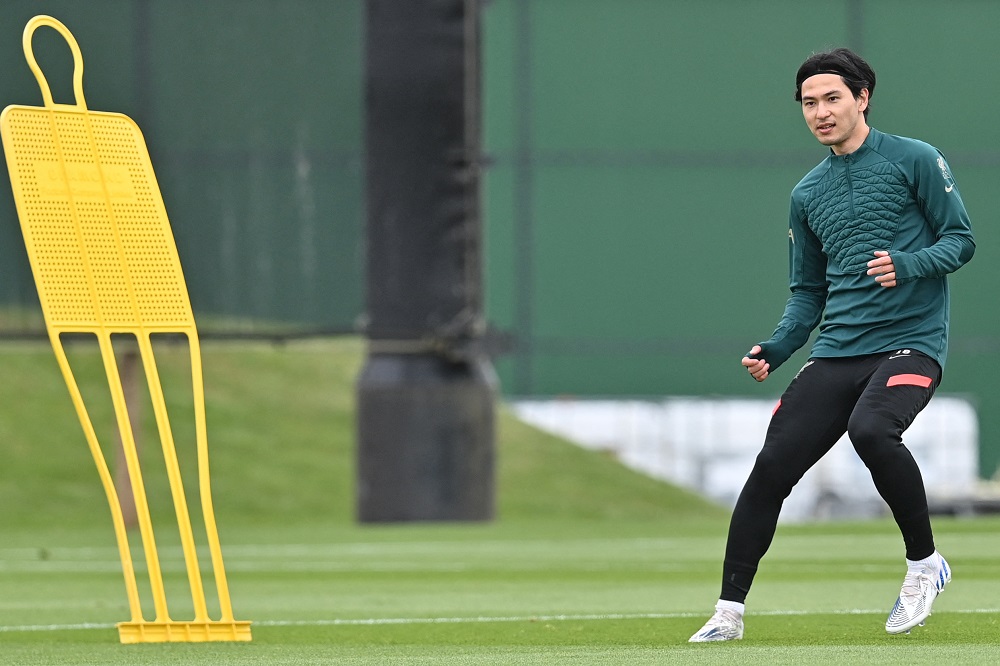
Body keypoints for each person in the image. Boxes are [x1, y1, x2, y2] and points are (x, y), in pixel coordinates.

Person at [688, 47, 975, 642]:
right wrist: (777, 346)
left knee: (873, 430)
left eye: (832, 98)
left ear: (862, 97)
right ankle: (728, 612)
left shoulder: (914, 159)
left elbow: (961, 240)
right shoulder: (807, 192)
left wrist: (909, 263)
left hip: (910, 344)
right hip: (837, 351)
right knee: (770, 469)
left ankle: (925, 566)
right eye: (809, 103)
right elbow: (807, 293)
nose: (820, 112)